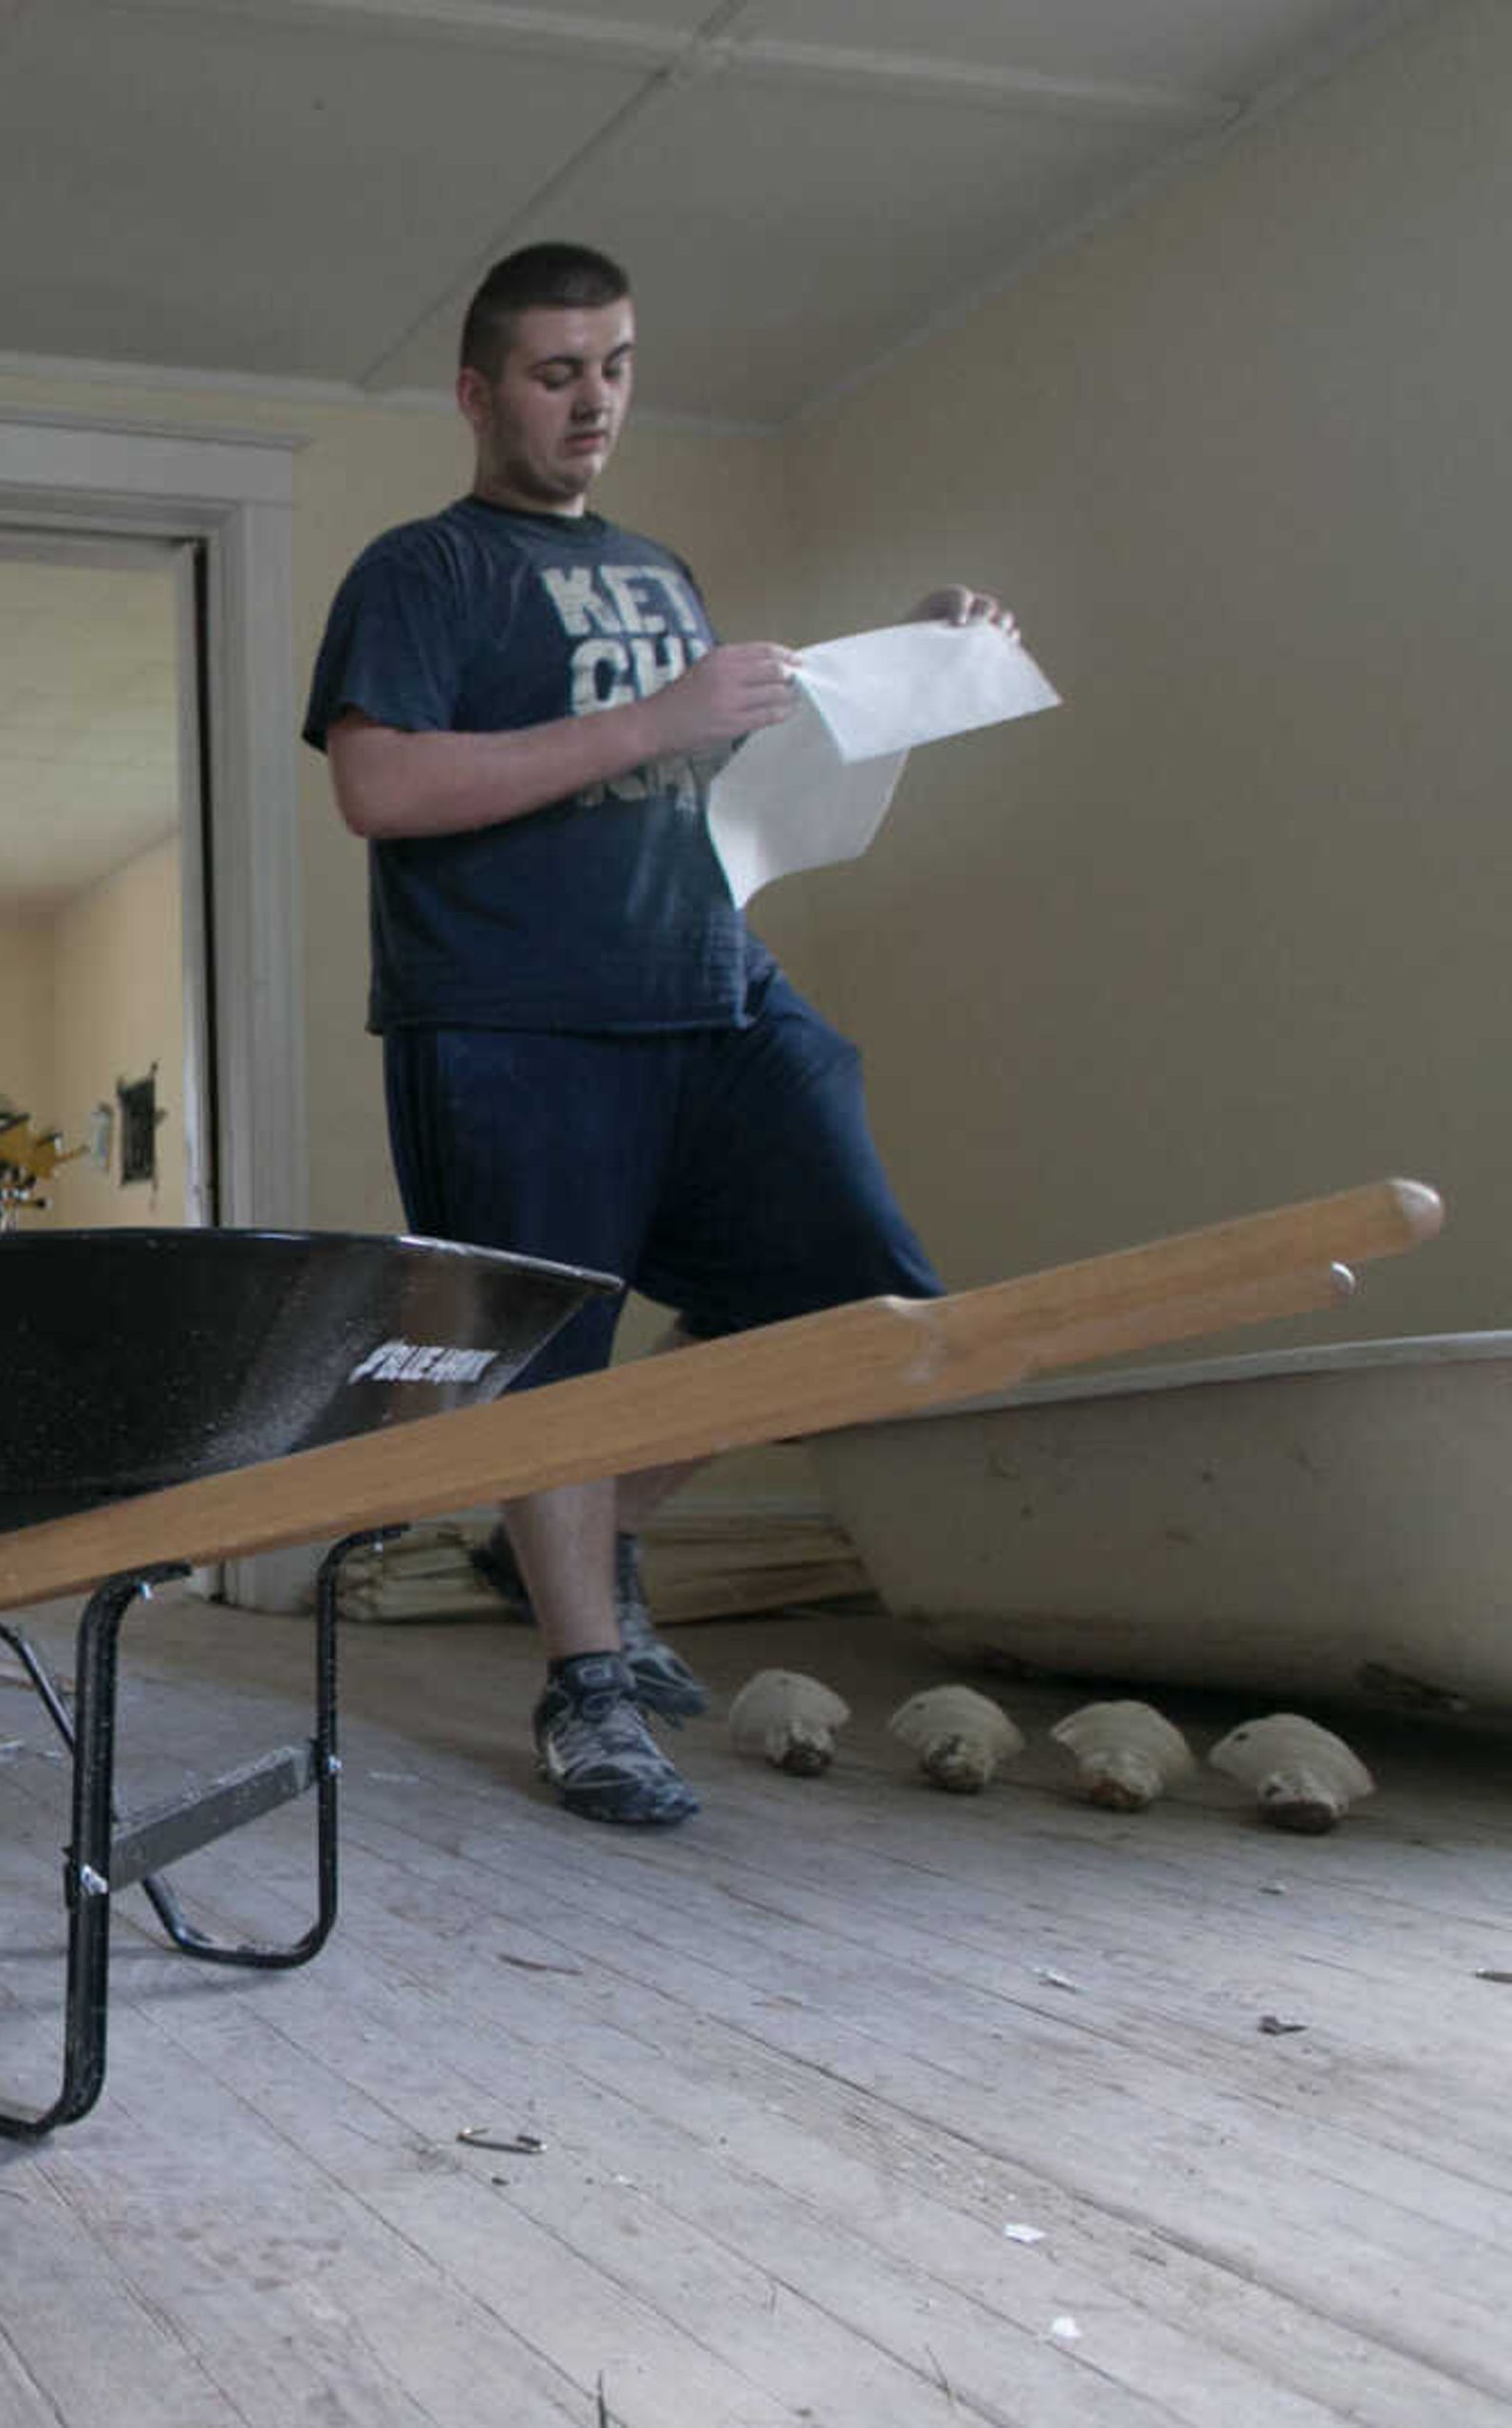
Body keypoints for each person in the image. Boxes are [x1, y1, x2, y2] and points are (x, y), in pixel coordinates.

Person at [302, 240, 1009, 1826]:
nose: (594, 400)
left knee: (860, 1299)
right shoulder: (423, 570)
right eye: (558, 373)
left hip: (709, 983)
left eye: (616, 364)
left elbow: (712, 773)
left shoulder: (660, 565)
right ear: (480, 391)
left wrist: (909, 655)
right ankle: (587, 1684)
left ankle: (583, 1523)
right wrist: (651, 717)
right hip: (510, 1018)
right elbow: (382, 786)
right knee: (556, 1357)